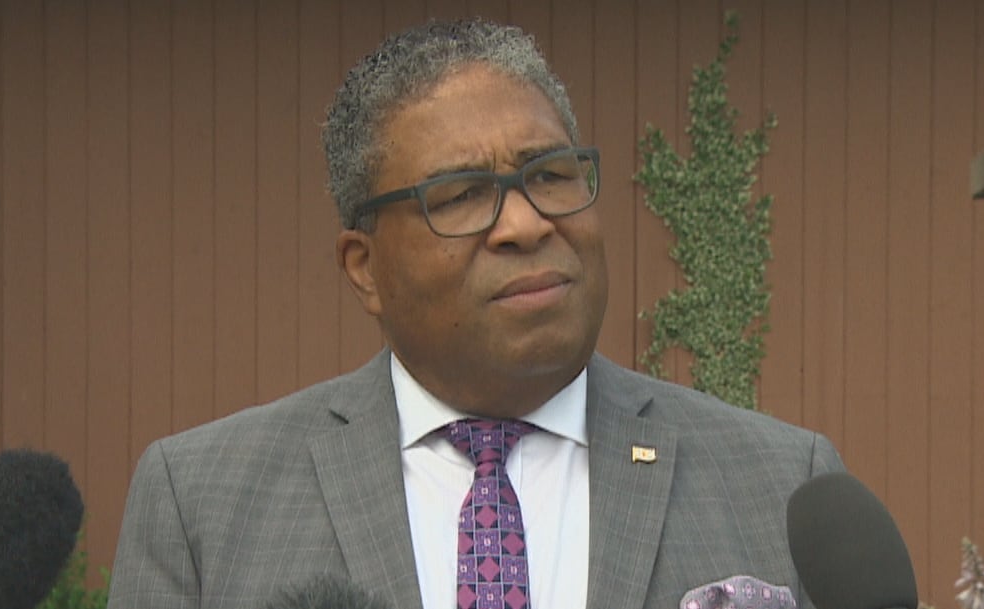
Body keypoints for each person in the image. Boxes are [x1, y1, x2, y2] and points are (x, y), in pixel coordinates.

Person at [107, 18, 843, 609]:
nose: (523, 224)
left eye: (549, 175)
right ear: (365, 268)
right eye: (459, 196)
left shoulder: (784, 483)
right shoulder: (199, 498)